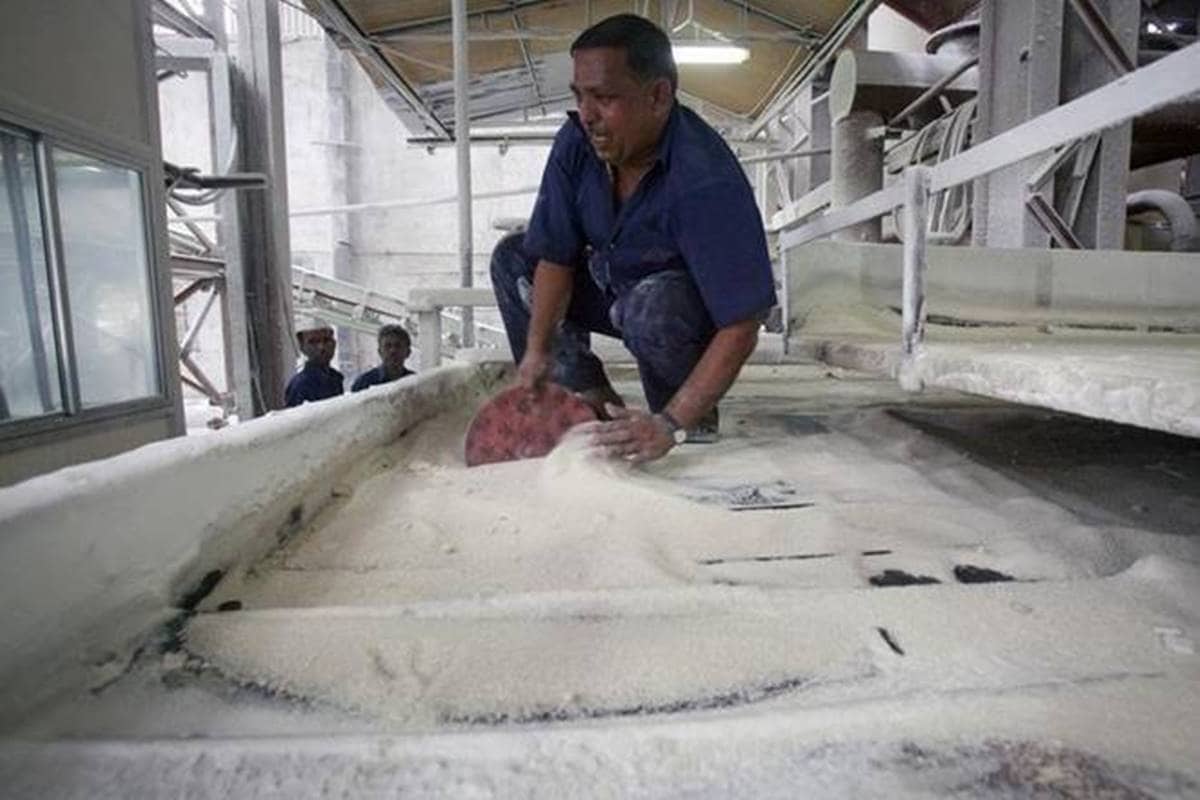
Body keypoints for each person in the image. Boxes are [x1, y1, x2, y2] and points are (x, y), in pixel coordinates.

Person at [490, 13, 775, 464]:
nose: (587, 115)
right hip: (612, 287)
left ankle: (685, 415)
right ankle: (590, 397)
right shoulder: (576, 143)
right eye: (579, 96)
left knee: (651, 306)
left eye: (604, 98)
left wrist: (672, 422)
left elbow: (742, 323)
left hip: (674, 316)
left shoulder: (705, 178)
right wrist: (538, 352)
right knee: (512, 258)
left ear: (658, 95)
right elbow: (556, 256)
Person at [284, 323, 344, 407]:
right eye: (313, 342)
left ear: (334, 343)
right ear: (302, 347)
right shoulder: (300, 385)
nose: (321, 347)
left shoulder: (336, 378)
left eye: (326, 340)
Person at [352, 324, 414, 392]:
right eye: (387, 346)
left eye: (398, 346)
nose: (393, 351)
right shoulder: (363, 383)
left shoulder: (415, 382)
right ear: (379, 352)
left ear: (408, 352)